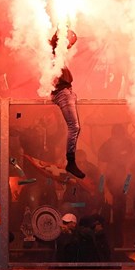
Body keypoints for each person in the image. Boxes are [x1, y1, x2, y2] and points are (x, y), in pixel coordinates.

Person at [49, 29, 85, 179]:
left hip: (66, 92)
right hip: (62, 93)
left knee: (76, 127)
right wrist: (61, 30)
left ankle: (71, 161)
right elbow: (54, 44)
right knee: (74, 127)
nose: (69, 45)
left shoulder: (57, 55)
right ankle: (71, 162)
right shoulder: (52, 53)